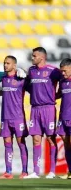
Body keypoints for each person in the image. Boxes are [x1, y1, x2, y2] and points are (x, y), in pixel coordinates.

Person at [23, 47, 62, 179]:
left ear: (42, 57)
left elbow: (65, 81)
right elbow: (27, 86)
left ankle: (52, 171)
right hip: (35, 109)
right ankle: (36, 171)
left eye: (34, 56)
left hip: (49, 109)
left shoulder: (53, 71)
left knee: (51, 139)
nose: (32, 58)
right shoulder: (31, 71)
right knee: (36, 139)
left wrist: (55, 95)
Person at [0, 56, 28, 179]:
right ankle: (8, 172)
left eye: (8, 63)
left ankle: (25, 171)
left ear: (14, 65)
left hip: (18, 117)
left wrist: (22, 70)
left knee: (21, 143)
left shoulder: (21, 78)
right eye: (4, 63)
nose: (5, 65)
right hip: (5, 117)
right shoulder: (3, 78)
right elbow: (5, 91)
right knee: (7, 143)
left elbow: (33, 81)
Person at [56, 58, 71, 179]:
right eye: (61, 71)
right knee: (66, 145)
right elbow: (59, 94)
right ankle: (70, 171)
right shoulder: (62, 81)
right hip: (63, 117)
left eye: (65, 71)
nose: (63, 73)